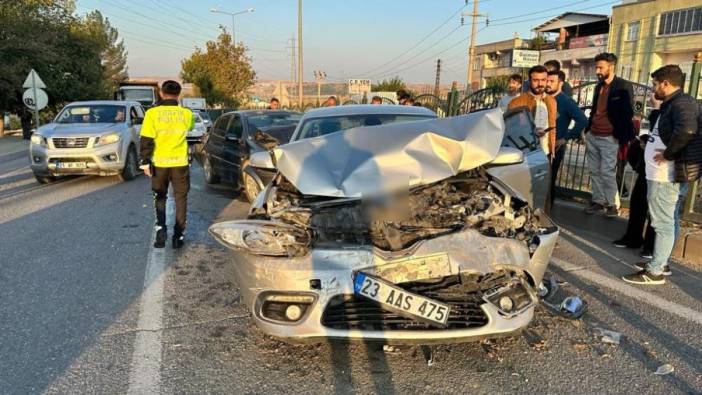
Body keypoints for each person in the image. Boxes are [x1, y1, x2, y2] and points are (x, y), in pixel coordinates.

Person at [623, 65, 701, 285]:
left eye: (655, 84)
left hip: (664, 175)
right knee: (669, 219)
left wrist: (668, 153)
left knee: (662, 223)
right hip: (662, 174)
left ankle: (655, 271)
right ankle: (661, 262)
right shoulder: (674, 103)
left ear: (665, 83)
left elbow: (687, 130)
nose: (652, 88)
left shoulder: (681, 103)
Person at [139, 80, 194, 249]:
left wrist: (145, 162)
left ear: (162, 93)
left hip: (159, 164)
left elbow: (146, 139)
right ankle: (178, 236)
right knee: (181, 199)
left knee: (160, 198)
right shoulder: (186, 114)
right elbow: (189, 131)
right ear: (179, 95)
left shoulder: (152, 114)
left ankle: (161, 231)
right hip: (180, 163)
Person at [583, 52, 636, 217]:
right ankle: (598, 201)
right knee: (594, 170)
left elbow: (627, 113)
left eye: (600, 67)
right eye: (596, 67)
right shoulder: (599, 86)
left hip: (609, 137)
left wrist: (617, 134)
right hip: (593, 134)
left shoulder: (623, 86)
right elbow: (595, 109)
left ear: (611, 67)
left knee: (607, 171)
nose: (597, 71)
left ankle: (612, 204)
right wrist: (588, 129)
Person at [545, 70, 587, 205]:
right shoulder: (543, 98)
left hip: (555, 147)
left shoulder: (566, 101)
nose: (548, 84)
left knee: (548, 180)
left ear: (560, 83)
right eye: (547, 80)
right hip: (539, 145)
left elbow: (582, 120)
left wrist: (565, 138)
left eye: (552, 81)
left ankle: (547, 211)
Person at [508, 65, 557, 158]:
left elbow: (553, 126)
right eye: (536, 80)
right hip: (524, 152)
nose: (540, 84)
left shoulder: (552, 101)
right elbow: (509, 130)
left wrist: (553, 150)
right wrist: (530, 132)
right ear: (530, 81)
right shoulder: (516, 102)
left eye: (543, 80)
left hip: (546, 152)